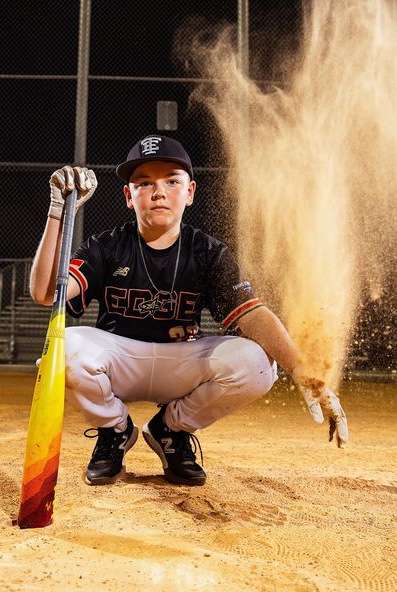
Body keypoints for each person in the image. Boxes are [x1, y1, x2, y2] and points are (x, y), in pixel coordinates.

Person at [30, 135, 348, 487]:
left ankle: (170, 430)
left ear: (190, 192)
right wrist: (58, 212)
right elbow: (45, 293)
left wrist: (305, 373)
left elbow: (252, 314)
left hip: (179, 362)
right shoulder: (107, 245)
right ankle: (115, 431)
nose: (158, 192)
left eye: (172, 181)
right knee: (62, 349)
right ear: (128, 196)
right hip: (120, 359)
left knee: (257, 363)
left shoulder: (208, 252)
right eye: (144, 183)